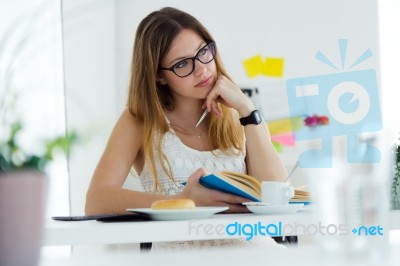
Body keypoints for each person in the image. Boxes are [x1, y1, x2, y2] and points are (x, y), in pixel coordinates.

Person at [85, 7, 288, 250]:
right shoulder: (139, 119)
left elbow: (278, 196)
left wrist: (247, 109)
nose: (202, 69)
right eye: (182, 64)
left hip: (252, 251)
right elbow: (97, 200)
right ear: (159, 76)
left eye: (203, 52)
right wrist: (181, 201)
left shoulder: (239, 112)